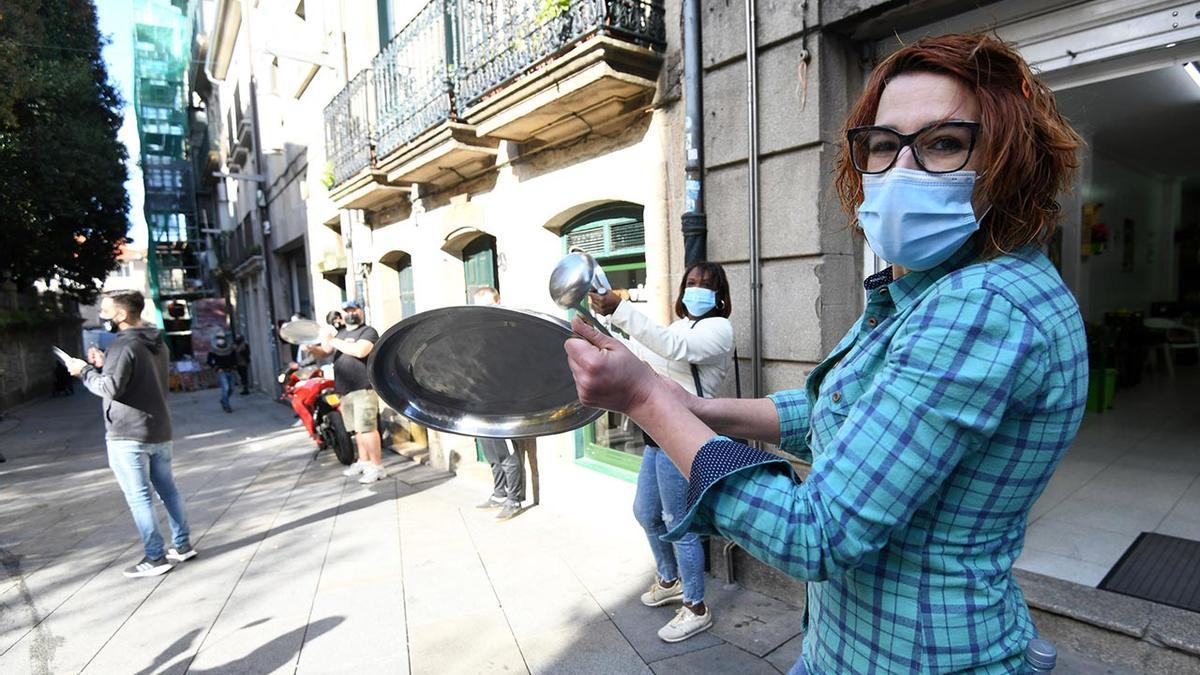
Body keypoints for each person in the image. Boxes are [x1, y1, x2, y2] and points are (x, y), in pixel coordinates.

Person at [564, 33, 1088, 674]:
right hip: (850, 647)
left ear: (1011, 160)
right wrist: (691, 406)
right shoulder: (936, 286)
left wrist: (643, 400)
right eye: (884, 145)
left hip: (915, 657)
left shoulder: (980, 306)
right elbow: (843, 413)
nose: (902, 172)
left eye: (944, 143)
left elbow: (817, 533)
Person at [588, 263, 733, 643]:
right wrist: (601, 330)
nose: (696, 288)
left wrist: (620, 307)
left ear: (720, 294)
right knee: (646, 512)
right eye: (691, 282)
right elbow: (646, 350)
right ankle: (669, 579)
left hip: (685, 432)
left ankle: (696, 606)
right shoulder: (681, 325)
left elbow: (670, 348)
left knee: (676, 521)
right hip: (657, 430)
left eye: (705, 284)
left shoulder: (719, 329)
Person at [65, 290, 198, 578]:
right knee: (169, 491)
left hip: (128, 434)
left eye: (105, 310)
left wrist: (85, 371)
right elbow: (132, 377)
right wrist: (104, 365)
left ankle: (155, 557)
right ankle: (182, 545)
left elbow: (110, 389)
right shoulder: (154, 342)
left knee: (140, 498)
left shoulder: (123, 346)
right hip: (159, 429)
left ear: (122, 314)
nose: (101, 315)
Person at [304, 300, 386, 483]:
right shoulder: (341, 333)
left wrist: (333, 340)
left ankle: (377, 466)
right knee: (356, 429)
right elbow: (324, 352)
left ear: (360, 311)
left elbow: (360, 351)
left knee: (367, 429)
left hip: (363, 387)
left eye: (354, 309)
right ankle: (363, 461)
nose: (351, 313)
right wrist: (311, 348)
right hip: (345, 390)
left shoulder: (368, 332)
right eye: (347, 310)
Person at [471, 286, 527, 521]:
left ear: (498, 302)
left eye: (488, 306)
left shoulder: (509, 330)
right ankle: (499, 493)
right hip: (482, 402)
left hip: (504, 404)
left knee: (507, 453)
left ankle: (514, 499)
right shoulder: (478, 333)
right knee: (491, 452)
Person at [207, 334, 239, 413]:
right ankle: (226, 406)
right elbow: (209, 361)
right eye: (218, 339)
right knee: (226, 388)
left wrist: (234, 366)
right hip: (221, 372)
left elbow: (234, 358)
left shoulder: (230, 349)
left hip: (230, 371)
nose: (220, 341)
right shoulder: (213, 350)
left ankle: (223, 400)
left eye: (221, 339)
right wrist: (216, 368)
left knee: (231, 389)